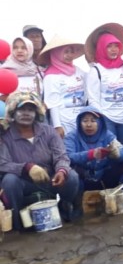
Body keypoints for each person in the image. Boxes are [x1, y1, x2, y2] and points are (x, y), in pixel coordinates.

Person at [0, 92, 80, 229]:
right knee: (9, 180)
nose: (26, 113)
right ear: (13, 111)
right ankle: (18, 221)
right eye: (21, 109)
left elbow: (61, 156)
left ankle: (65, 207)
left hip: (49, 179)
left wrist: (61, 171)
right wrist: (27, 167)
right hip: (23, 182)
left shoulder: (48, 131)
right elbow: (3, 163)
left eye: (30, 110)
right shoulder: (5, 135)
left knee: (71, 176)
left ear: (36, 113)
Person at [84, 23, 123, 146]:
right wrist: (102, 118)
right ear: (101, 48)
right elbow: (93, 98)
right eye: (109, 46)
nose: (113, 49)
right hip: (107, 118)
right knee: (111, 151)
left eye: (116, 46)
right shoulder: (96, 70)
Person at [64, 109, 123, 193]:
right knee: (69, 170)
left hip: (104, 176)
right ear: (79, 123)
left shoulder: (107, 135)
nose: (89, 125)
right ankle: (75, 200)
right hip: (83, 177)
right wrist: (90, 154)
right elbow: (68, 156)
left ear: (100, 122)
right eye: (85, 121)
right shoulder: (71, 136)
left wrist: (117, 154)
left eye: (93, 121)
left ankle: (121, 194)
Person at [40, 35, 87, 137]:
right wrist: (57, 125)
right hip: (64, 122)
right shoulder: (51, 76)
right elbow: (53, 103)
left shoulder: (78, 71)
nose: (69, 55)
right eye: (66, 52)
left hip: (81, 120)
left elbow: (91, 83)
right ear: (57, 54)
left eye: (71, 51)